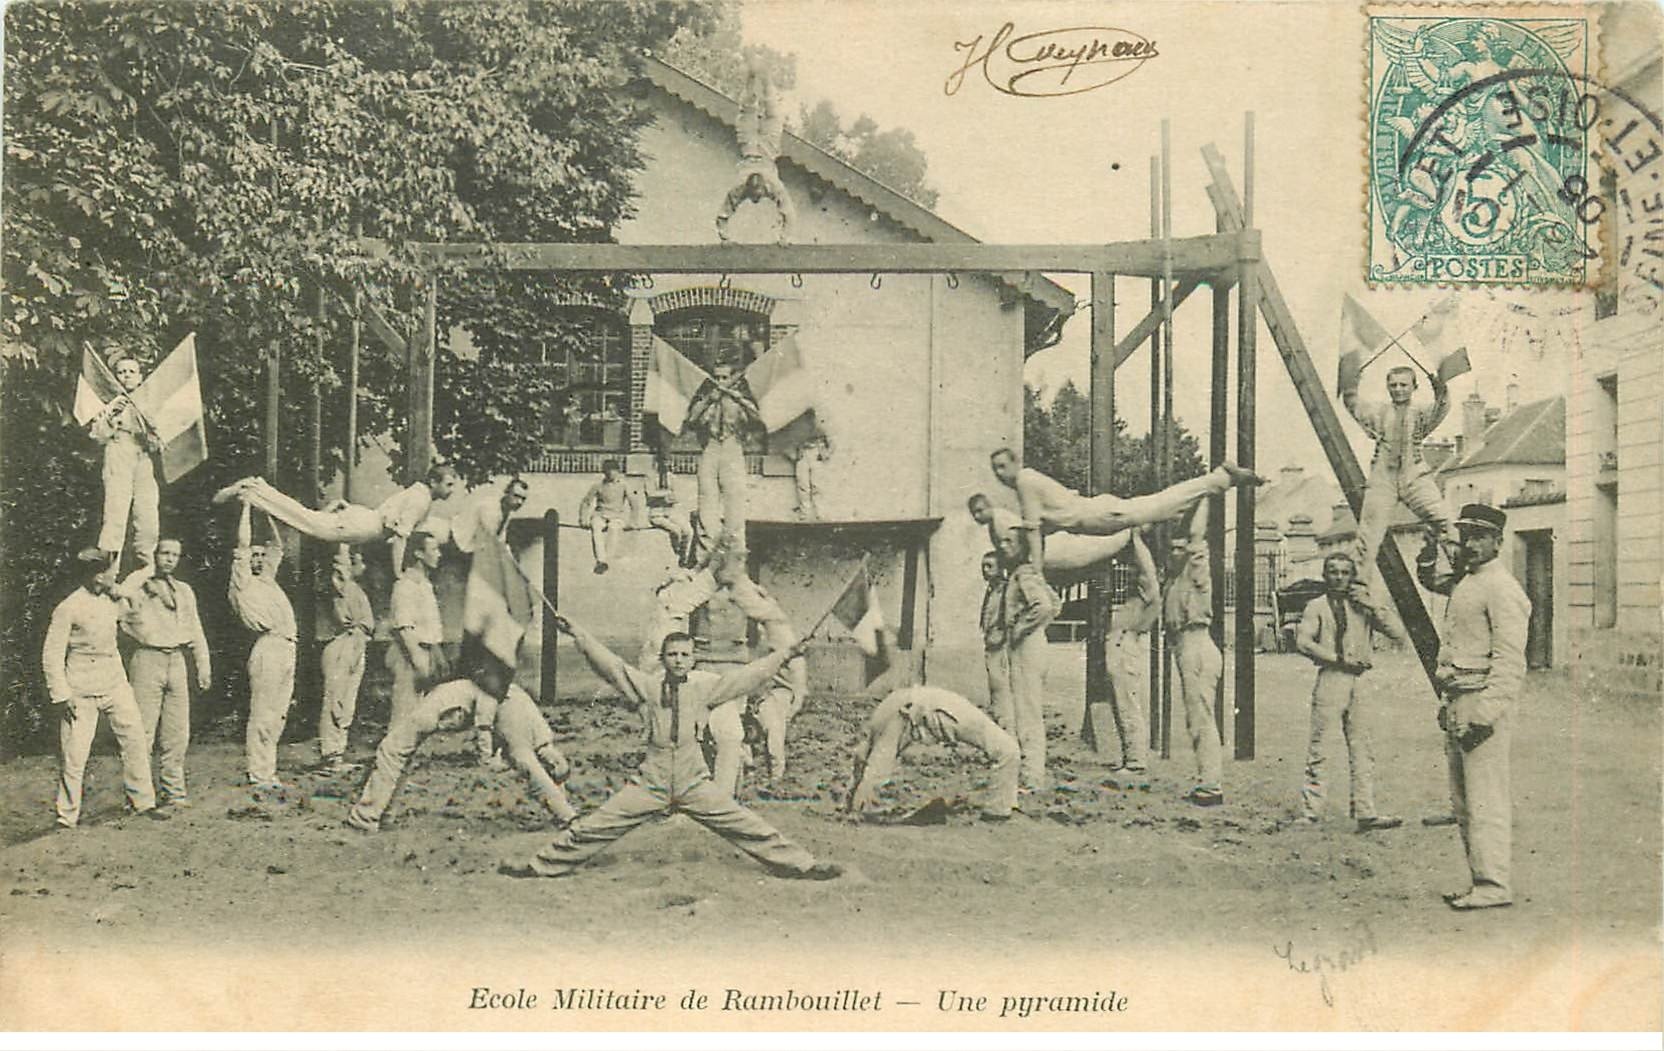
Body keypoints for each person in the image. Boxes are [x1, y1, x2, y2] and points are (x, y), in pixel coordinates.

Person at [497, 618, 839, 881]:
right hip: (653, 780)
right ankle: (539, 866)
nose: (678, 660)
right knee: (597, 825)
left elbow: (750, 675)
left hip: (693, 780)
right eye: (672, 655)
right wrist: (580, 636)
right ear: (663, 658)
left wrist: (788, 653)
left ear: (693, 659)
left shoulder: (707, 689)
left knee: (745, 823)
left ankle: (803, 865)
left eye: (685, 655)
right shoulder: (647, 687)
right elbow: (612, 666)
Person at [1417, 503, 1530, 911]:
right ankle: (1479, 880)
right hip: (1459, 696)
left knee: (1486, 797)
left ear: (1498, 541)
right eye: (1466, 535)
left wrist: (1485, 716)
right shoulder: (1469, 581)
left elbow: (1510, 661)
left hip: (1483, 701)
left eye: (1481, 536)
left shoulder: (1502, 588)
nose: (1472, 543)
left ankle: (1494, 883)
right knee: (1464, 801)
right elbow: (1433, 578)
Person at [346, 662, 577, 832]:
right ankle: (565, 813)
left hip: (505, 703)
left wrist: (486, 755)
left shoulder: (443, 700)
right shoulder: (449, 692)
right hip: (514, 701)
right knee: (540, 753)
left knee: (525, 758)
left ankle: (368, 816)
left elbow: (484, 718)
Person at [987, 447, 1262, 575]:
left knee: (1160, 505)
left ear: (1016, 462)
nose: (999, 473)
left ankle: (1220, 479)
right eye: (994, 469)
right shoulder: (1029, 480)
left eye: (1002, 466)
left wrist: (1035, 568)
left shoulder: (1024, 482)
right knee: (1162, 507)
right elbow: (1044, 526)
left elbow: (1034, 532)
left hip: (1096, 516)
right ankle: (1216, 482)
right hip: (1094, 514)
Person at [43, 549, 168, 828]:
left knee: (135, 739)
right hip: (81, 686)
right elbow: (52, 655)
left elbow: (135, 597)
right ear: (96, 574)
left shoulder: (112, 600)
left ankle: (143, 802)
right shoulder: (68, 607)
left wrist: (126, 589)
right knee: (75, 753)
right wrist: (62, 695)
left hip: (114, 681)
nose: (114, 576)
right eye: (109, 572)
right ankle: (67, 816)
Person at [847, 623, 1020, 822]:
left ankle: (858, 801)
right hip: (916, 705)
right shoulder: (979, 724)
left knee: (876, 755)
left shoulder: (973, 717)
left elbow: (866, 753)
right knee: (1009, 751)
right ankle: (861, 804)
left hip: (909, 702)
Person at [1295, 551, 1404, 831]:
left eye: (1345, 572)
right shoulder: (1316, 606)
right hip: (1332, 678)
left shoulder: (1363, 606)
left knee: (1362, 747)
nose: (1339, 577)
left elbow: (1398, 633)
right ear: (1325, 575)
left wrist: (1372, 604)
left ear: (1353, 576)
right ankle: (1310, 811)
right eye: (1334, 571)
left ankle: (1366, 812)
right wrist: (1337, 658)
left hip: (1360, 681)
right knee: (1321, 745)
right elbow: (1304, 642)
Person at [213, 461, 461, 572]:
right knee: (307, 521)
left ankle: (257, 491)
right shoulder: (420, 500)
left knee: (308, 520)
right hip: (365, 525)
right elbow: (399, 539)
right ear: (433, 481)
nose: (451, 490)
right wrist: (397, 573)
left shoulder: (419, 495)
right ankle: (256, 489)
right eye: (449, 484)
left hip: (365, 521)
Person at [118, 536, 211, 806]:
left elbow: (195, 630)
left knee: (177, 731)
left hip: (177, 661)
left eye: (175, 554)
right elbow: (118, 617)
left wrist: (203, 665)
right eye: (164, 553)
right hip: (148, 659)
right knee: (142, 731)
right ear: (153, 555)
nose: (169, 559)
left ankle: (174, 792)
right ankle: (139, 796)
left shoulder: (184, 590)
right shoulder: (136, 588)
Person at [1341, 363, 1453, 586]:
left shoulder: (1421, 412)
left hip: (1415, 476)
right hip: (1384, 477)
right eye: (1393, 385)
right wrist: (1352, 382)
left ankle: (1459, 570)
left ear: (1414, 387)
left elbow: (1442, 406)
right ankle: (1358, 585)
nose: (1398, 389)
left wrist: (1440, 387)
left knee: (1447, 521)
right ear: (1387, 388)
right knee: (1368, 534)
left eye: (1404, 385)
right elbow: (1353, 404)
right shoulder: (1379, 412)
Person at [228, 503, 297, 791]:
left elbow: (277, 545)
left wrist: (267, 509)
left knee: (278, 714)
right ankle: (258, 773)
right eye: (253, 556)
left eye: (260, 555)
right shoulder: (242, 583)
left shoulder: (267, 580)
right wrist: (245, 506)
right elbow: (243, 544)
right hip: (267, 648)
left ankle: (268, 772)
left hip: (287, 647)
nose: (258, 559)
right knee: (263, 713)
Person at [1164, 501, 1224, 807]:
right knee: (1195, 718)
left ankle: (1211, 784)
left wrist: (1205, 494)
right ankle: (1206, 779)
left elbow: (1198, 537)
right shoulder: (1173, 583)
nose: (1175, 553)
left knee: (1202, 717)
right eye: (1172, 549)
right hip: (1184, 647)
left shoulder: (1196, 575)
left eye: (1180, 549)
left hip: (1198, 644)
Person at [997, 527, 1060, 791]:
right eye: (1001, 541)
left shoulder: (1024, 574)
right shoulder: (1025, 574)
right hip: (1033, 643)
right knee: (1026, 709)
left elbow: (1045, 607)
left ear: (1024, 547)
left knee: (1028, 711)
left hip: (1027, 645)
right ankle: (1030, 773)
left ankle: (1032, 777)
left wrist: (1020, 629)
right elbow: (1056, 603)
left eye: (1010, 542)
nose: (1003, 546)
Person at [449, 476, 534, 673]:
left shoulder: (506, 511)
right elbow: (492, 545)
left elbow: (502, 543)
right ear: (506, 493)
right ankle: (466, 667)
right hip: (462, 545)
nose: (519, 502)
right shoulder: (491, 510)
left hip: (480, 551)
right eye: (516, 496)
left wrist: (518, 571)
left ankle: (479, 664)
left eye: (523, 499)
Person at [967, 493, 1131, 588]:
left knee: (1096, 546)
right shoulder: (995, 524)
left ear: (989, 506)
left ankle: (1126, 528)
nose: (977, 516)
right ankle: (1124, 527)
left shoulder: (1001, 521)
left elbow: (1027, 538)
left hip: (1052, 551)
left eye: (980, 511)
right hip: (1047, 554)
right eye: (974, 513)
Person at [715, 54, 796, 245]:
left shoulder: (773, 186)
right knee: (771, 115)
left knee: (749, 111)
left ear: (762, 188)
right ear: (749, 189)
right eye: (755, 196)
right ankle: (755, 75)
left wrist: (785, 238)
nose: (756, 200)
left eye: (756, 196)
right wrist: (725, 238)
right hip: (767, 150)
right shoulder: (741, 187)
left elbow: (789, 212)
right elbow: (723, 214)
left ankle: (760, 75)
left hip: (752, 148)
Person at [89, 354, 160, 566]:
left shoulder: (148, 403)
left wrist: (149, 434)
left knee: (148, 513)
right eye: (121, 372)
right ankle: (109, 566)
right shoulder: (111, 402)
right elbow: (97, 435)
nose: (126, 375)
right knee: (116, 508)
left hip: (142, 456)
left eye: (131, 371)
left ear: (140, 376)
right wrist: (111, 417)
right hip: (119, 449)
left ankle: (146, 564)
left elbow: (158, 443)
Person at [686, 359, 760, 548]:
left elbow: (757, 417)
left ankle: (735, 554)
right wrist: (710, 398)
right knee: (706, 499)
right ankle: (706, 554)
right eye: (717, 377)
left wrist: (737, 397)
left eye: (724, 377)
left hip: (732, 447)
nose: (720, 381)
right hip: (710, 447)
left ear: (732, 380)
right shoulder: (708, 399)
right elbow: (692, 418)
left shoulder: (738, 400)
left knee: (734, 500)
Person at [1105, 530, 1158, 778]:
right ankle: (1129, 756)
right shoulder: (1133, 598)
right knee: (1121, 701)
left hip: (1127, 642)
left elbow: (1147, 571)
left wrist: (1136, 538)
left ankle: (1136, 760)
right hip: (1119, 641)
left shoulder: (1147, 593)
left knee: (1128, 701)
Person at [317, 545, 374, 771]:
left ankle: (337, 755)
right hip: (343, 646)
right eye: (357, 561)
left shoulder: (355, 588)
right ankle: (330, 756)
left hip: (356, 644)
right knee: (336, 701)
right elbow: (340, 565)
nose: (364, 566)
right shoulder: (344, 585)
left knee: (346, 702)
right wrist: (343, 541)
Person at [387, 530, 447, 723]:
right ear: (418, 554)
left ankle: (406, 752)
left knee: (421, 713)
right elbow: (405, 630)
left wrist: (436, 656)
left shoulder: (424, 585)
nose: (439, 554)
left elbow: (431, 627)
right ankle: (391, 752)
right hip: (408, 655)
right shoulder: (405, 586)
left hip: (424, 654)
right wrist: (419, 663)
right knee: (404, 713)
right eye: (434, 549)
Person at [578, 459, 641, 574]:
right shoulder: (598, 486)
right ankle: (600, 560)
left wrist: (633, 521)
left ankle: (606, 561)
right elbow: (586, 502)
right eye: (607, 471)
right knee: (596, 528)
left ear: (618, 471)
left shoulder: (624, 486)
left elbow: (634, 504)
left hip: (617, 516)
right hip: (600, 515)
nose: (610, 473)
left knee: (614, 529)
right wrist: (583, 518)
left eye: (613, 471)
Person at [979, 550, 1012, 731]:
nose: (985, 570)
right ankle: (998, 719)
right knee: (994, 683)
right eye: (983, 566)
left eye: (990, 566)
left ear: (1001, 568)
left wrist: (1003, 632)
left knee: (1001, 684)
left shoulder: (1006, 590)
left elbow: (1011, 615)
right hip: (990, 643)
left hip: (1002, 645)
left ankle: (1005, 723)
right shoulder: (991, 589)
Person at [645, 481, 695, 567]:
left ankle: (683, 558)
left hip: (670, 513)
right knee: (676, 531)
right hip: (656, 514)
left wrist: (664, 497)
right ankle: (677, 554)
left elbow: (677, 496)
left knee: (688, 531)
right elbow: (650, 497)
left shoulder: (671, 477)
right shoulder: (651, 477)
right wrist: (666, 496)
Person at [792, 424, 831, 520]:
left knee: (817, 484)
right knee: (803, 484)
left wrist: (825, 453)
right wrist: (796, 452)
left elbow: (831, 437)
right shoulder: (797, 420)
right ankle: (805, 514)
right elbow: (790, 437)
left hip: (816, 452)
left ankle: (821, 513)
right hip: (802, 452)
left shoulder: (822, 420)